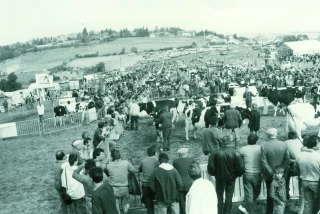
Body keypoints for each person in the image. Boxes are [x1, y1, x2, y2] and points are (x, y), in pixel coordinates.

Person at [207, 135, 245, 214]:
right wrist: (237, 175)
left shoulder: (215, 152)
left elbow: (210, 166)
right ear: (230, 142)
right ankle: (227, 212)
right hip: (231, 178)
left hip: (219, 177)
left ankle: (218, 212)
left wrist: (214, 174)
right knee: (229, 196)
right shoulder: (236, 152)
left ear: (222, 142)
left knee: (219, 196)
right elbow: (241, 167)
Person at [261, 128, 290, 214]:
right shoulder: (284, 144)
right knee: (282, 193)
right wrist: (281, 172)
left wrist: (271, 173)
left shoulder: (264, 145)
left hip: (270, 175)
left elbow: (264, 161)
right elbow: (287, 160)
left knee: (271, 194)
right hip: (282, 175)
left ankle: (270, 211)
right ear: (276, 134)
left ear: (267, 135)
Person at [106, 150, 137, 214]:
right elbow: (133, 170)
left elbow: (107, 174)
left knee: (116, 207)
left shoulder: (108, 166)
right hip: (124, 188)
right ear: (119, 155)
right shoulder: (125, 163)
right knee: (125, 204)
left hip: (114, 189)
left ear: (112, 157)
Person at [296, 135, 320, 214]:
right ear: (315, 145)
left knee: (308, 204)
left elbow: (297, 168)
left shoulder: (300, 155)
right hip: (316, 182)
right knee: (318, 205)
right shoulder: (317, 156)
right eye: (319, 143)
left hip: (304, 181)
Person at [238, 134, 261, 214]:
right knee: (254, 193)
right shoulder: (260, 148)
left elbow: (239, 160)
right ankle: (250, 211)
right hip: (256, 174)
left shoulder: (243, 149)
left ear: (248, 140)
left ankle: (244, 205)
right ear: (256, 140)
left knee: (251, 194)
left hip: (247, 174)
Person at [284, 131, 304, 213]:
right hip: (299, 163)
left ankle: (286, 195)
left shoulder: (285, 142)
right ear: (296, 136)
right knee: (301, 181)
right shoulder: (300, 142)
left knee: (285, 179)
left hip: (290, 163)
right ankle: (300, 196)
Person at [139, 144, 160, 214]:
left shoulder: (143, 161)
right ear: (155, 153)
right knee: (160, 201)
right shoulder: (158, 161)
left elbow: (140, 169)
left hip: (146, 184)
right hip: (156, 184)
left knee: (149, 203)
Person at [173, 147, 195, 214]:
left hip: (180, 184)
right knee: (190, 201)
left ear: (179, 155)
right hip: (189, 183)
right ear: (187, 153)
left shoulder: (175, 161)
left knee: (181, 202)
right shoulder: (191, 159)